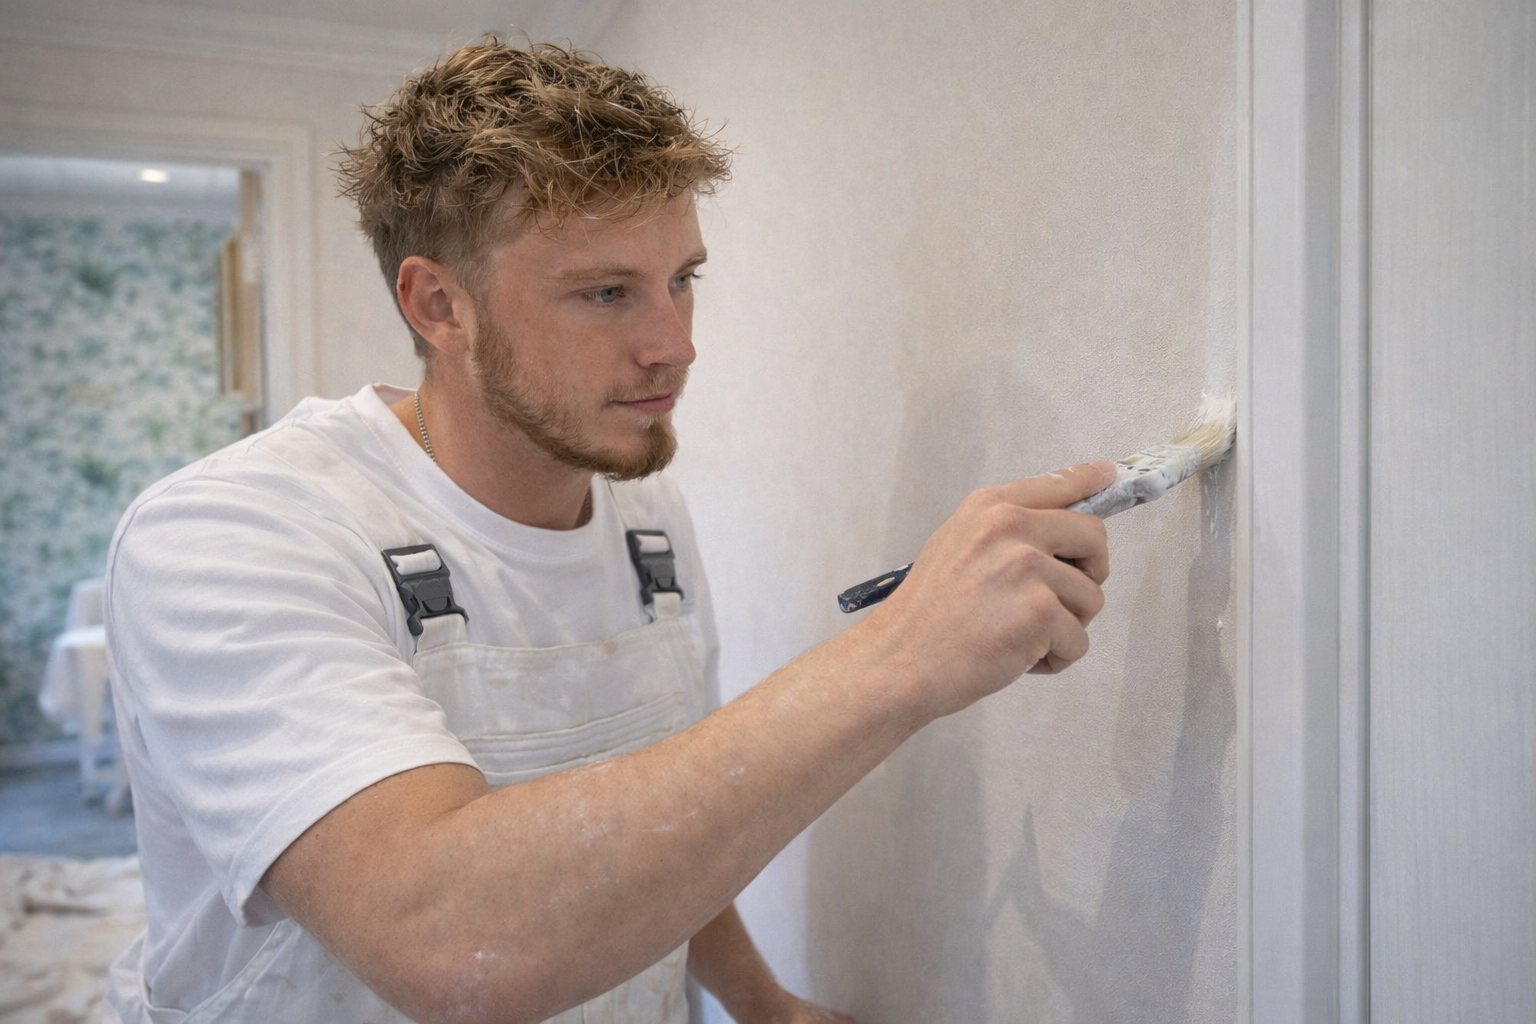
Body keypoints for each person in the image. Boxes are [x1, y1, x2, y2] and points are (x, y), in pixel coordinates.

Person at [101, 40, 1115, 1024]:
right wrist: (901, 653)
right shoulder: (234, 535)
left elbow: (663, 820)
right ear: (439, 304)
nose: (674, 345)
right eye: (606, 293)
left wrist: (762, 1005)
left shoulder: (643, 519)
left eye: (683, 279)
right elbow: (445, 945)